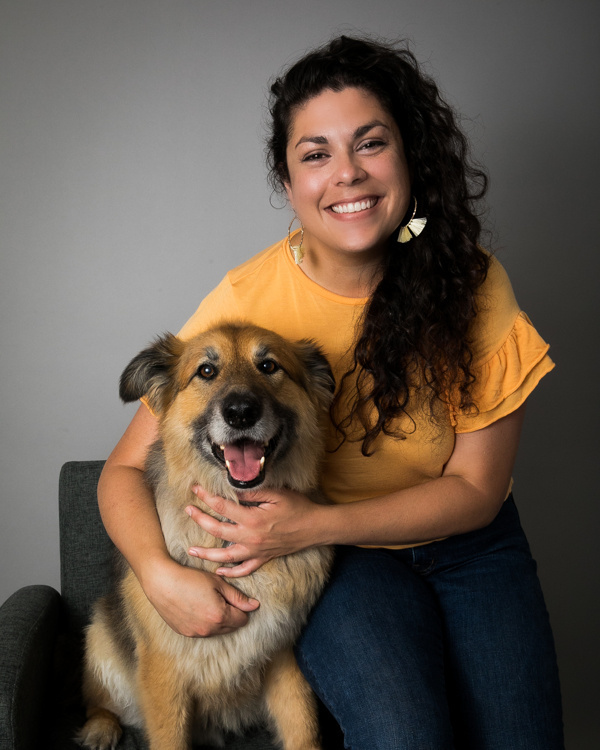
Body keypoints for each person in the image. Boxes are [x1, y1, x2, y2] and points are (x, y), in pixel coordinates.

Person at [98, 35, 564, 749]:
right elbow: (125, 469)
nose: (346, 175)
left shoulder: (470, 282)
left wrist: (308, 524)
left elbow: (477, 489)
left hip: (472, 547)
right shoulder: (247, 301)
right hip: (354, 565)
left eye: (370, 145)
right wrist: (160, 577)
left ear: (409, 157)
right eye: (315, 154)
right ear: (288, 184)